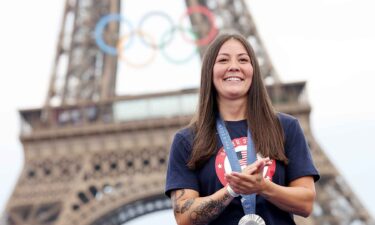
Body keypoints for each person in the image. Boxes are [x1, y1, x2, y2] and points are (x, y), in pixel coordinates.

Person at [165, 33, 320, 225]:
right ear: (209, 72)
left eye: (243, 60)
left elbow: (306, 203)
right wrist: (232, 190)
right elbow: (184, 217)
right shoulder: (187, 140)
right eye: (223, 60)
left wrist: (263, 187)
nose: (234, 66)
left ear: (253, 70)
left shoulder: (286, 128)